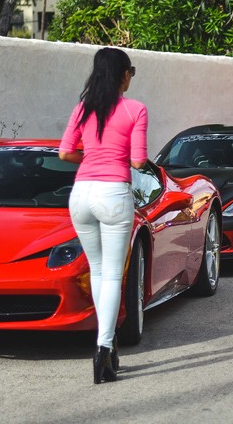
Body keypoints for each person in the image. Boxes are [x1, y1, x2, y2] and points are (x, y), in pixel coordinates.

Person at [59, 47, 148, 384]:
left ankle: (106, 345)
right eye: (131, 71)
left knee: (98, 271)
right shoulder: (135, 109)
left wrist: (92, 155)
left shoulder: (83, 109)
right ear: (123, 74)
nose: (130, 77)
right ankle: (104, 349)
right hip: (113, 194)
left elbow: (66, 152)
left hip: (81, 194)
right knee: (112, 275)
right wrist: (117, 156)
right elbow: (139, 161)